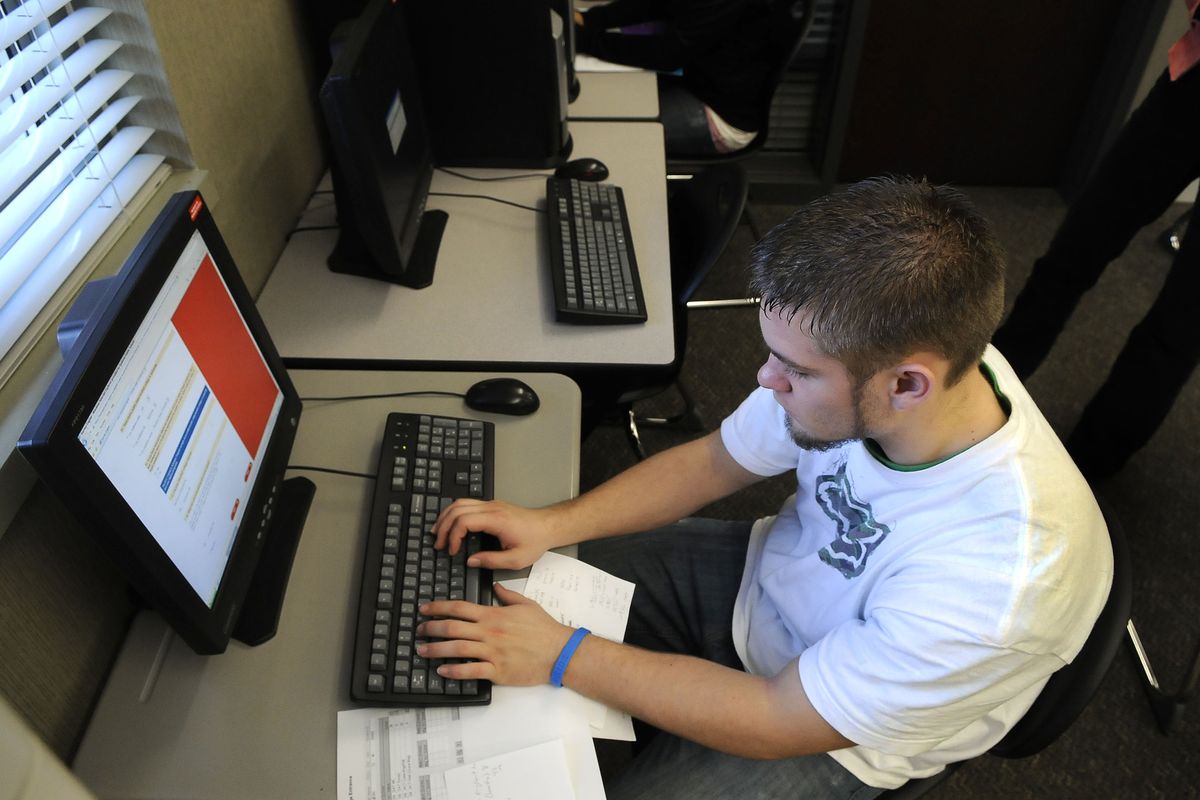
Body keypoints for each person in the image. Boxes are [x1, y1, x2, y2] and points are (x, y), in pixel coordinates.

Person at [421, 177, 1113, 798]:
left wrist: (563, 654)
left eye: (797, 372)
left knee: (538, 654)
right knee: (476, 585)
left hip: (831, 727)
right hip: (762, 583)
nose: (765, 381)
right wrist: (554, 524)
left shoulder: (1000, 580)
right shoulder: (914, 355)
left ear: (907, 385)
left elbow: (778, 717)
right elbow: (715, 462)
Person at [991, 1, 1200, 480]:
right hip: (1191, 86)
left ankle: (1084, 474)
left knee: (1179, 325)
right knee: (1073, 252)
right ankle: (984, 395)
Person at [573, 0, 777, 157]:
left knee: (593, 136)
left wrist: (584, 39)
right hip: (697, 84)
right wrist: (590, 20)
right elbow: (659, 4)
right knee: (589, 107)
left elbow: (667, 54)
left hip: (721, 115)